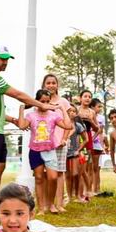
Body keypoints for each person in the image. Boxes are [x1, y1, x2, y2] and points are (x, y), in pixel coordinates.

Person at [0, 45, 51, 215]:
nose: (5, 63)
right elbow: (18, 95)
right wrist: (41, 104)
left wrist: (13, 120)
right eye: (2, 59)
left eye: (7, 60)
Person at [16, 89, 72, 214]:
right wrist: (21, 109)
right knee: (39, 178)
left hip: (49, 151)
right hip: (35, 151)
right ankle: (41, 208)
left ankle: (51, 204)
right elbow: (22, 126)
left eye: (47, 101)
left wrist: (62, 109)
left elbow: (68, 126)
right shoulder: (31, 115)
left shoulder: (53, 115)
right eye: (42, 101)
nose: (45, 104)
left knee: (52, 177)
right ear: (37, 101)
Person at [42, 74, 72, 211]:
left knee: (60, 173)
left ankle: (59, 204)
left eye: (53, 83)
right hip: (44, 143)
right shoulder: (41, 102)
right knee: (45, 174)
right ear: (44, 85)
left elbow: (68, 122)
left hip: (60, 143)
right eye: (48, 83)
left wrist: (64, 139)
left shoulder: (63, 102)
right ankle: (46, 204)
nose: (51, 85)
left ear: (57, 85)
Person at [66, 105, 89, 203]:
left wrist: (79, 150)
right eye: (69, 111)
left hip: (75, 153)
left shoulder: (78, 125)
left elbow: (86, 139)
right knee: (67, 176)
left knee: (76, 174)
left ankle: (78, 195)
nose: (72, 113)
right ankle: (69, 196)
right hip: (65, 153)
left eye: (74, 111)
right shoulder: (63, 124)